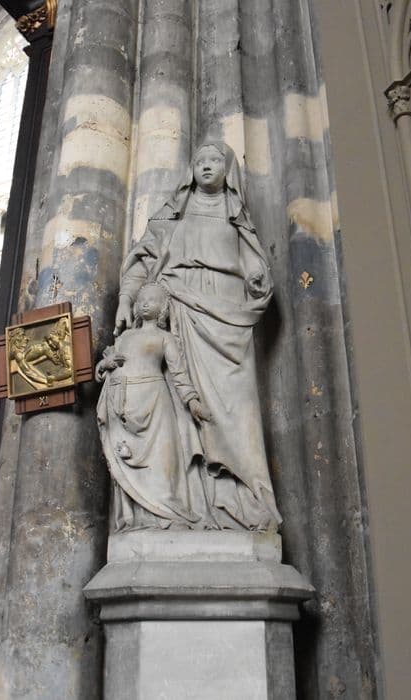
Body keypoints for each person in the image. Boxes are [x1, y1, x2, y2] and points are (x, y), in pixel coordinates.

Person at [114, 141, 282, 531]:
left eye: (215, 160)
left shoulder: (236, 217)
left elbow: (255, 266)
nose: (206, 166)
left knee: (237, 410)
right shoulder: (172, 215)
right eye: (200, 160)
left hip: (227, 319)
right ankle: (190, 506)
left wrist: (257, 278)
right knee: (180, 405)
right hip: (179, 312)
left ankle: (246, 502)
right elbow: (142, 261)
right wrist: (125, 300)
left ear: (228, 170)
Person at [97, 282, 210, 530]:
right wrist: (105, 365)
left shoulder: (164, 337)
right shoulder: (125, 337)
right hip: (122, 403)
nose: (145, 303)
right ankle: (139, 517)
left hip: (156, 404)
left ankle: (168, 514)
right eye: (141, 299)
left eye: (153, 300)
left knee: (163, 462)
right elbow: (107, 366)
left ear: (163, 308)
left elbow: (179, 373)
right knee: (125, 458)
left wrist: (192, 401)